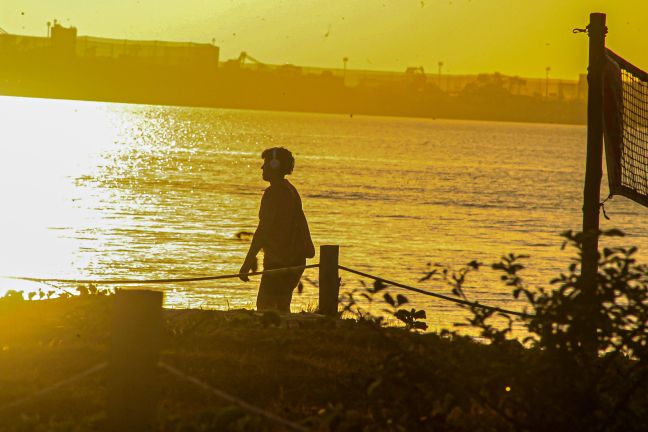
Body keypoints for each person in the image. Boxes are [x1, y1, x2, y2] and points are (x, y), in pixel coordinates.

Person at [239, 147, 315, 313]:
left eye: (265, 163)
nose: (262, 168)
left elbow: (263, 229)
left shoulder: (274, 193)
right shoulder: (290, 189)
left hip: (280, 262)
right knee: (282, 308)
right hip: (295, 260)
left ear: (274, 165)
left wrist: (247, 262)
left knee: (266, 308)